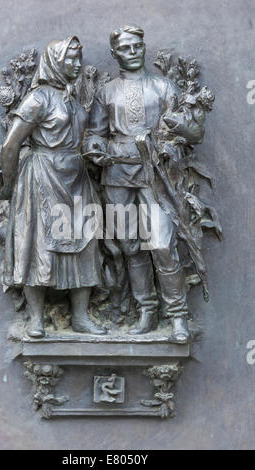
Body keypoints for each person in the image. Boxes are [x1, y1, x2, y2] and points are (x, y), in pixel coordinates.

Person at [84, 25, 204, 342]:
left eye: (138, 46)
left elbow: (189, 133)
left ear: (144, 47)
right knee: (129, 246)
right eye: (125, 48)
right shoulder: (105, 92)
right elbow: (96, 132)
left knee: (163, 245)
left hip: (155, 175)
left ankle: (177, 316)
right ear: (115, 54)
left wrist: (171, 144)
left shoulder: (164, 88)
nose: (133, 52)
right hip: (117, 175)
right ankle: (147, 309)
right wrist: (95, 149)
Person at [0, 37, 106, 338]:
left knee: (85, 241)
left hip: (75, 177)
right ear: (55, 62)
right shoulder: (39, 98)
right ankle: (36, 319)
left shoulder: (73, 97)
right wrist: (8, 186)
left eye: (79, 58)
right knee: (38, 244)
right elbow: (11, 145)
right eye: (70, 59)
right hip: (42, 177)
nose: (76, 64)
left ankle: (81, 316)